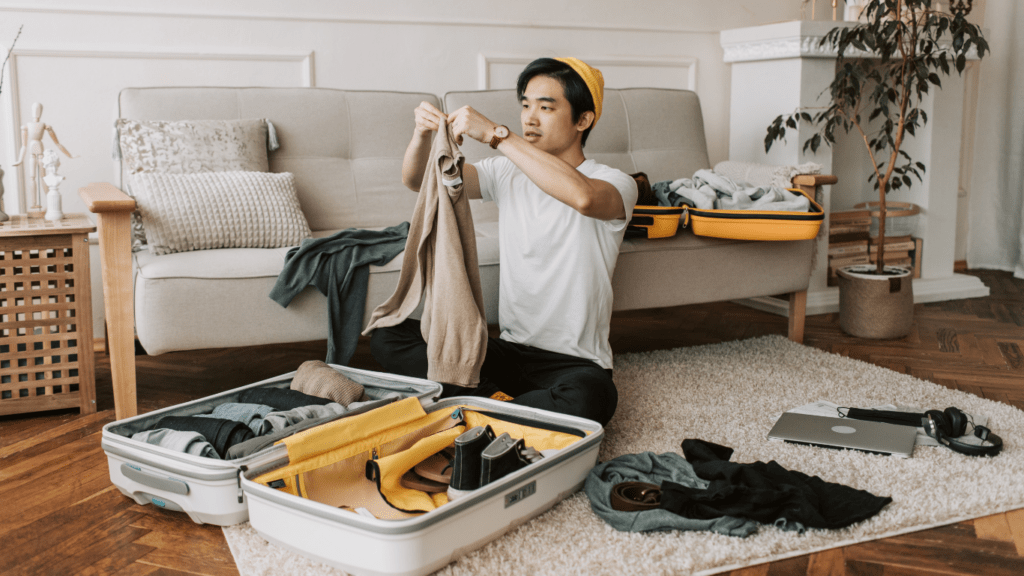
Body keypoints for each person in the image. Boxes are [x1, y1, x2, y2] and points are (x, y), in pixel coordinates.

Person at [371, 57, 638, 427]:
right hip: (505, 351)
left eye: (546, 107)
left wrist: (498, 135)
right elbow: (419, 180)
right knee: (388, 333)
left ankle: (475, 403)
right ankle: (502, 406)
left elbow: (584, 198)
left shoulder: (614, 182)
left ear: (583, 120)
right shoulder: (506, 172)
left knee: (590, 398)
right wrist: (421, 136)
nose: (530, 118)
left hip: (573, 363)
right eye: (526, 105)